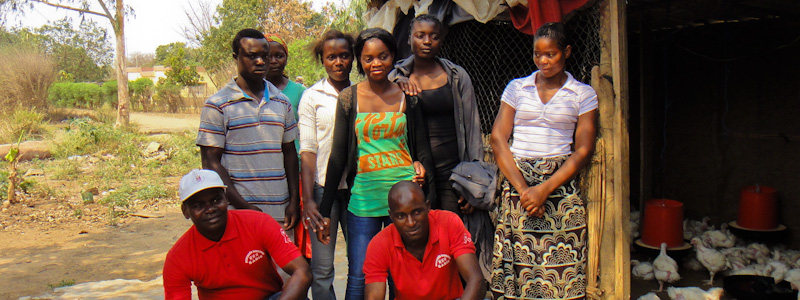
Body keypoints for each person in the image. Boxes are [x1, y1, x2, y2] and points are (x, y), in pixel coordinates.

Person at [318, 27, 434, 300]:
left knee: (399, 275)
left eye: (382, 56)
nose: (376, 64)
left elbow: (422, 148)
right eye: (368, 58)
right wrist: (325, 209)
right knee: (360, 273)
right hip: (364, 200)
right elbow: (337, 157)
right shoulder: (350, 98)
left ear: (393, 56)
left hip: (404, 200)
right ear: (360, 61)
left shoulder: (408, 96)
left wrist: (422, 168)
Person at [489, 22, 597, 300]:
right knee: (519, 273)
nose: (543, 61)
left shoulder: (583, 94)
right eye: (538, 54)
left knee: (563, 270)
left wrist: (544, 189)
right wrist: (525, 190)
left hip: (559, 186)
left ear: (567, 52)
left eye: (551, 54)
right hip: (518, 181)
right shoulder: (517, 88)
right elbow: (498, 138)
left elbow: (583, 150)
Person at [389, 14, 493, 279]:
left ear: (442, 39)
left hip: (454, 172)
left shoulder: (457, 77)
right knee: (419, 240)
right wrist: (399, 86)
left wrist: (473, 183)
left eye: (434, 36)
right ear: (410, 38)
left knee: (455, 240)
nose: (427, 41)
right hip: (415, 173)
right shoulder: (396, 78)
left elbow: (472, 127)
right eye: (420, 35)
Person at [196, 29, 301, 234]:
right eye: (252, 56)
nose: (261, 61)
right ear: (236, 57)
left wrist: (294, 201)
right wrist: (243, 206)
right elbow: (210, 162)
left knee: (283, 266)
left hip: (280, 211)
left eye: (265, 55)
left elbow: (290, 153)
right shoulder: (217, 105)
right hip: (237, 212)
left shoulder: (282, 102)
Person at [163, 169, 311, 300]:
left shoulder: (258, 223)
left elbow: (302, 271)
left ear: (226, 199)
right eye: (198, 205)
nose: (210, 209)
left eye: (216, 200)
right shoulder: (178, 258)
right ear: (185, 212)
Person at [297, 29, 355, 300]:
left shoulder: (363, 93)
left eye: (344, 55)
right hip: (322, 192)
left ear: (353, 58)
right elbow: (307, 149)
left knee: (361, 264)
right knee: (322, 268)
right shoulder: (312, 97)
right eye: (331, 57)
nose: (338, 62)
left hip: (358, 191)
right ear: (322, 60)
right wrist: (308, 199)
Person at [363, 181, 485, 300]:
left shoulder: (448, 223)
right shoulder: (379, 243)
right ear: (391, 216)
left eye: (416, 212)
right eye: (401, 216)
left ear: (427, 207)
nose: (411, 223)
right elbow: (374, 296)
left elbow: (476, 280)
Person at [265, 33, 307, 153]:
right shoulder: (255, 92)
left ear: (286, 58)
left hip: (296, 160)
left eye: (279, 56)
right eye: (268, 56)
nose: (273, 61)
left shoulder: (300, 92)